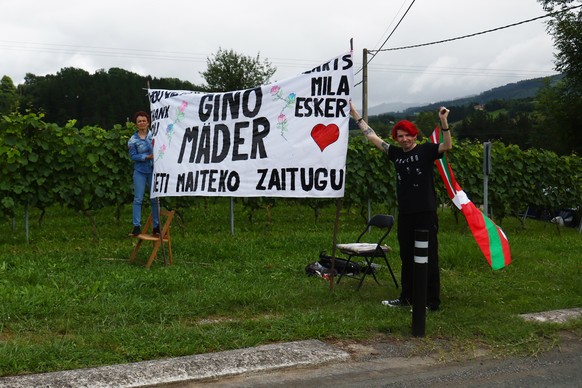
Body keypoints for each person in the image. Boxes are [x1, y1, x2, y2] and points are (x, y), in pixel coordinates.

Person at [349, 101, 452, 311]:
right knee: (407, 257)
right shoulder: (395, 154)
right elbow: (372, 136)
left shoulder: (426, 151)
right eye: (400, 136)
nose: (404, 139)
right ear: (396, 138)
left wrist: (444, 121)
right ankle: (407, 298)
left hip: (425, 213)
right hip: (406, 214)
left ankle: (432, 302)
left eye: (408, 135)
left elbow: (447, 145)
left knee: (429, 257)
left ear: (415, 135)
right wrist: (356, 116)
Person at [128, 111, 160, 236]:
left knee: (155, 199)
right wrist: (147, 156)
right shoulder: (132, 140)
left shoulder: (155, 136)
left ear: (148, 122)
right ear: (136, 124)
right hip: (140, 171)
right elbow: (133, 156)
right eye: (139, 121)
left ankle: (156, 226)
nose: (142, 123)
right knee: (138, 199)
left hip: (154, 171)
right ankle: (136, 226)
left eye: (144, 120)